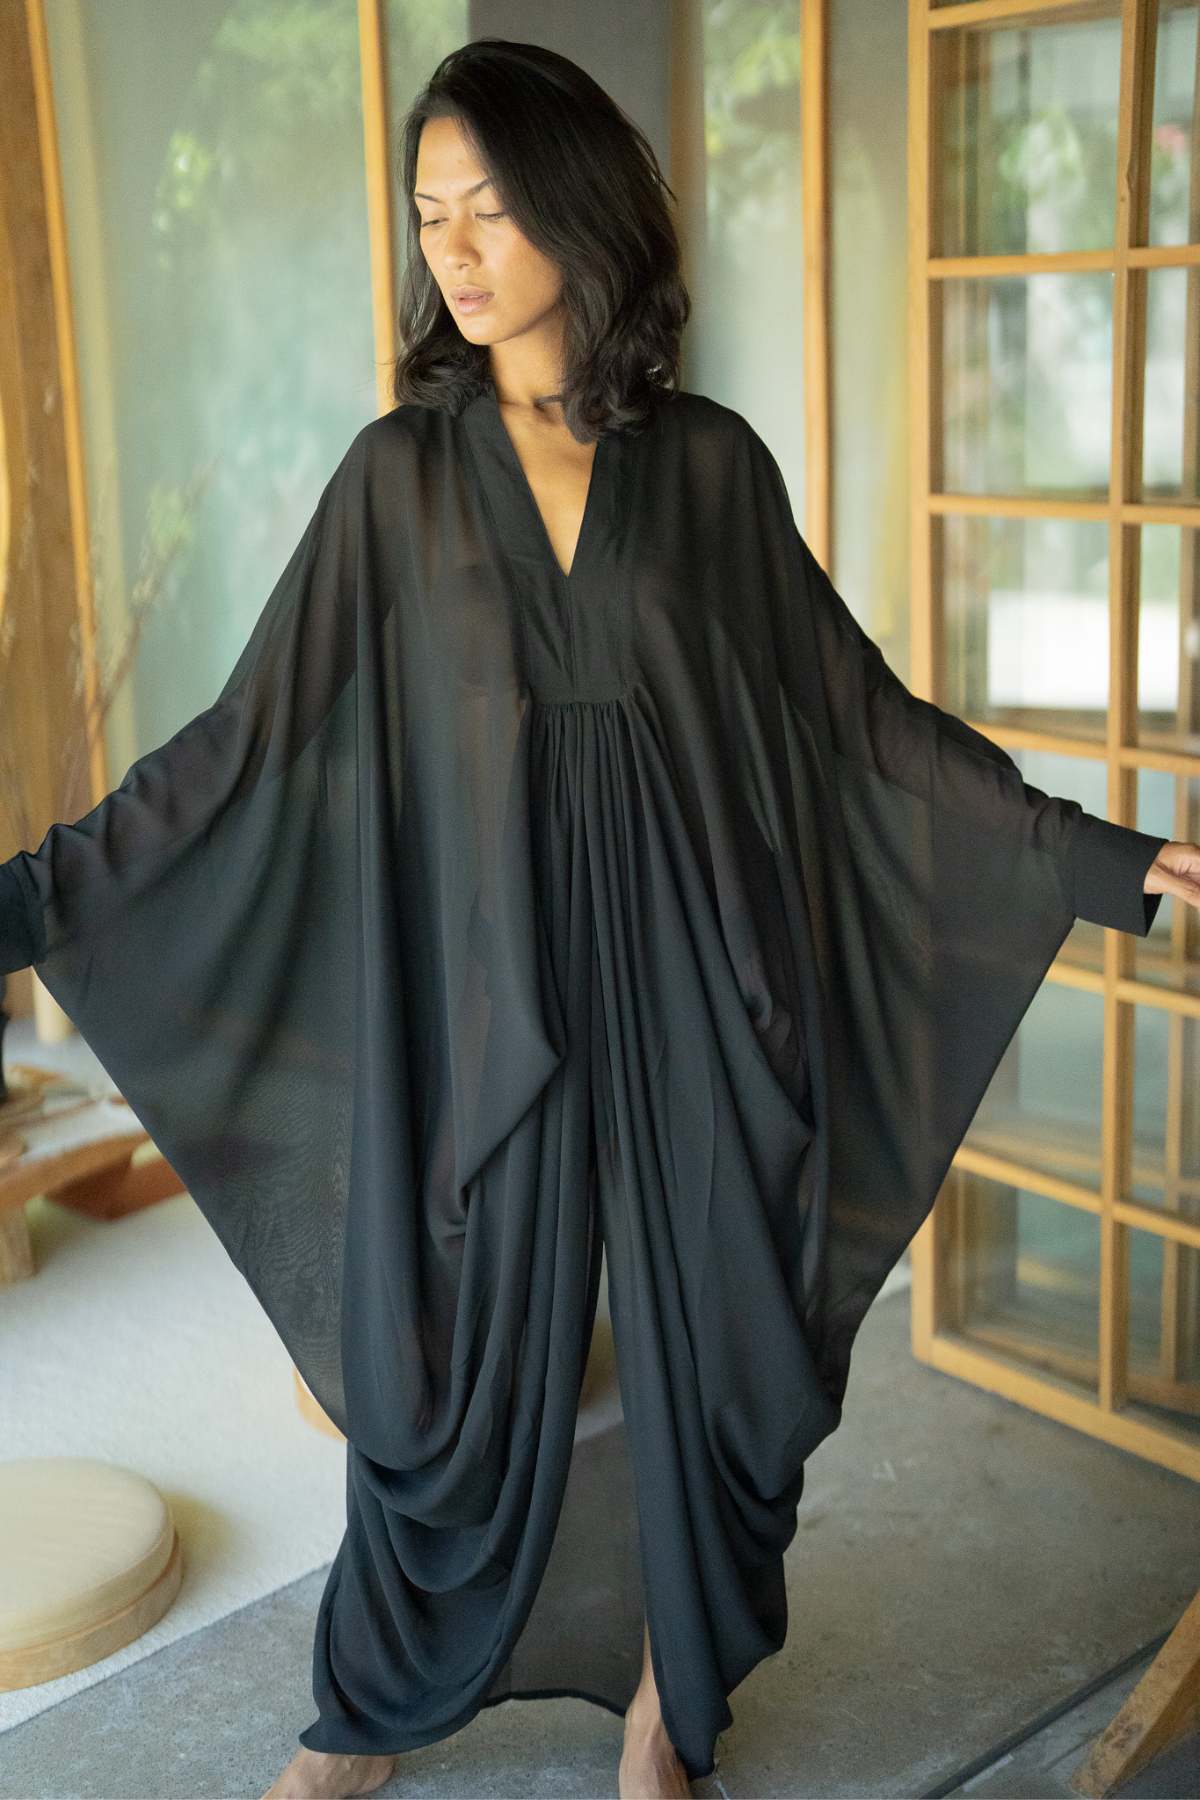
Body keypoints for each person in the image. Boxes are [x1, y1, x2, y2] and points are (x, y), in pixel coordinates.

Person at [4, 37, 1198, 1800]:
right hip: (488, 998)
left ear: (578, 206)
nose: (457, 252)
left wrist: (1104, 861)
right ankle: (373, 1709)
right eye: (430, 216)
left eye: (490, 206)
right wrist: (27, 899)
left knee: (725, 1347)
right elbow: (240, 747)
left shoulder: (709, 470)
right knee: (448, 1368)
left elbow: (853, 712)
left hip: (703, 979)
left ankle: (673, 1701)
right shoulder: (394, 485)